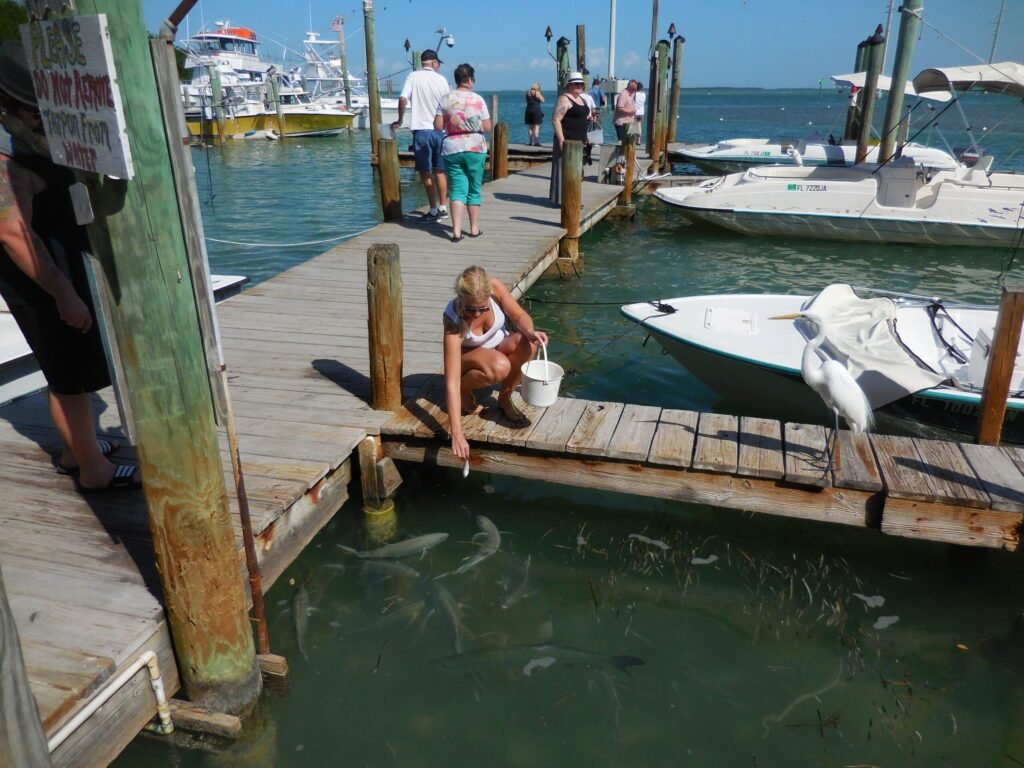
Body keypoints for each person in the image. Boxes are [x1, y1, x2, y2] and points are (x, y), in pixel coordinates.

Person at [0, 41, 140, 493]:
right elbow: (12, 232)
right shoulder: (6, 159)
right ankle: (93, 471)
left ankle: (75, 449)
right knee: (68, 372)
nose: (41, 117)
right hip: (37, 271)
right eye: (33, 108)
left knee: (70, 365)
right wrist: (62, 291)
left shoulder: (24, 139)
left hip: (57, 253)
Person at [443, 266, 548, 460]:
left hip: (497, 349)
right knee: (499, 367)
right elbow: (450, 381)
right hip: (467, 359)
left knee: (529, 345)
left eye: (482, 308)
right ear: (460, 299)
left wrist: (530, 332)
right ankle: (465, 390)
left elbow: (519, 316)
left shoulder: (495, 287)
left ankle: (504, 398)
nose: (476, 314)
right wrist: (457, 434)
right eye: (470, 309)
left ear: (489, 294)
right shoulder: (453, 318)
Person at [434, 63, 491, 242]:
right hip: (475, 146)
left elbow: (438, 126)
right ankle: (474, 229)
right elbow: (488, 126)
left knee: (457, 190)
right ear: (469, 80)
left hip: (452, 147)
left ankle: (456, 232)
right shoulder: (478, 99)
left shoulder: (445, 99)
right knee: (474, 188)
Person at [392, 49, 450, 222]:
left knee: (425, 172)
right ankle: (443, 207)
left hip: (421, 132)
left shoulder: (413, 76)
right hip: (440, 132)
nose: (439, 66)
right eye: (438, 63)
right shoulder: (442, 80)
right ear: (433, 63)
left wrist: (400, 120)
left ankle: (433, 210)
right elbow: (448, 104)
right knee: (440, 171)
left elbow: (403, 99)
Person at [548, 71, 590, 205]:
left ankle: (574, 198)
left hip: (580, 142)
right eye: (576, 84)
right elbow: (556, 119)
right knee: (564, 171)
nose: (579, 86)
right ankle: (564, 200)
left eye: (581, 84)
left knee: (577, 173)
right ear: (569, 85)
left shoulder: (582, 98)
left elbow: (580, 116)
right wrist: (561, 140)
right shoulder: (564, 99)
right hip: (568, 141)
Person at [524, 82, 544, 147]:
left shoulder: (528, 93)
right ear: (537, 88)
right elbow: (543, 100)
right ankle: (536, 142)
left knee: (530, 127)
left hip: (528, 110)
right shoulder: (537, 93)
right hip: (536, 111)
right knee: (536, 127)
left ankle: (530, 142)